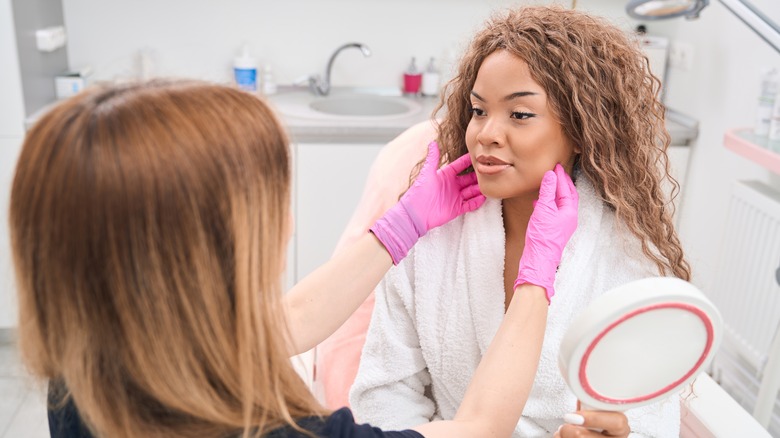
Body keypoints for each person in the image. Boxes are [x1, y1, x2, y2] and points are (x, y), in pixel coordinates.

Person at [10, 79, 587, 438]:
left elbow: (284, 326)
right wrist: (537, 278)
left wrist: (400, 227)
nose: (287, 224)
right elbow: (481, 430)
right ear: (203, 256)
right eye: (272, 204)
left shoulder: (82, 372)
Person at [350, 5, 690, 438]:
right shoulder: (431, 236)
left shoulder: (628, 258)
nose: (486, 133)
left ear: (584, 130)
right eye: (477, 110)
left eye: (520, 114)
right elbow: (385, 392)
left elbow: (650, 422)